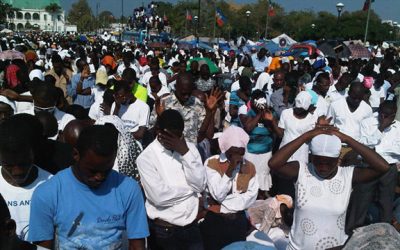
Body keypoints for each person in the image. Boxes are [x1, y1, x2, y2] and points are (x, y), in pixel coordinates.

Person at [268, 126, 390, 250]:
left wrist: (347, 139)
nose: (323, 167)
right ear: (311, 157)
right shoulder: (302, 171)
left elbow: (383, 167)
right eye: (318, 162)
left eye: (329, 162)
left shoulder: (347, 175)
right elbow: (274, 164)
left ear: (338, 159)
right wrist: (307, 136)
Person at [28, 125, 149, 249]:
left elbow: (137, 245)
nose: (99, 177)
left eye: (107, 170)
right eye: (92, 171)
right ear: (76, 155)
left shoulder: (128, 189)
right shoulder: (47, 193)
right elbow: (43, 247)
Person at [136, 109, 206, 249]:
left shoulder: (190, 149)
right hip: (165, 232)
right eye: (169, 136)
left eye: (177, 136)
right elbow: (159, 197)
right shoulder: (146, 158)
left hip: (192, 227)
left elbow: (200, 185)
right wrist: (190, 190)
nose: (174, 141)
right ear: (158, 131)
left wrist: (185, 153)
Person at [201, 126, 258, 250]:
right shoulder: (211, 163)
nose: (238, 155)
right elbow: (218, 194)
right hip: (216, 221)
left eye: (241, 151)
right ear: (226, 148)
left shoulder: (249, 167)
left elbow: (251, 196)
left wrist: (224, 205)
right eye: (234, 151)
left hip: (238, 220)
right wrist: (230, 168)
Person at [346, 100, 400, 233]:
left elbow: (398, 150)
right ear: (379, 113)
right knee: (361, 200)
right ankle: (351, 232)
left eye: (389, 116)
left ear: (394, 114)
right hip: (369, 166)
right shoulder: (367, 123)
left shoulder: (398, 127)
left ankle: (384, 233)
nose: (385, 118)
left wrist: (377, 151)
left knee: (385, 202)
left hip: (389, 168)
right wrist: (380, 129)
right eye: (382, 114)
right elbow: (363, 145)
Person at [0, 117, 52, 241]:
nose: (17, 172)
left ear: (33, 153)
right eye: (9, 165)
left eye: (23, 163)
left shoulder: (53, 185)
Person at [150, 72, 221, 144]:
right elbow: (152, 132)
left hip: (190, 151)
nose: (186, 97)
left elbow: (204, 133)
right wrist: (160, 117)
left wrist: (209, 112)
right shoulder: (163, 103)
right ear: (175, 87)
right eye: (183, 93)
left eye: (189, 93)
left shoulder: (197, 104)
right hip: (168, 151)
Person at [239, 90, 279, 193]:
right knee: (249, 177)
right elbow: (248, 128)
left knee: (262, 178)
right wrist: (259, 114)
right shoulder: (247, 112)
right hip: (250, 151)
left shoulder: (271, 112)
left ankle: (260, 197)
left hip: (266, 152)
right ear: (252, 101)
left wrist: (269, 119)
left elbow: (277, 132)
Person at [328, 81, 373, 164]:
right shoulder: (335, 105)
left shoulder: (367, 109)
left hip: (356, 149)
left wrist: (358, 151)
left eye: (359, 98)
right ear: (348, 93)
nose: (356, 100)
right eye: (354, 97)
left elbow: (368, 133)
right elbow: (329, 126)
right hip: (336, 147)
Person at [278, 91, 318, 163]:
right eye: (297, 109)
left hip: (301, 156)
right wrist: (271, 121)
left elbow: (311, 140)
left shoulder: (313, 119)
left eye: (301, 110)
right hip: (284, 152)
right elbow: (280, 134)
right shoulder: (286, 113)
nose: (298, 111)